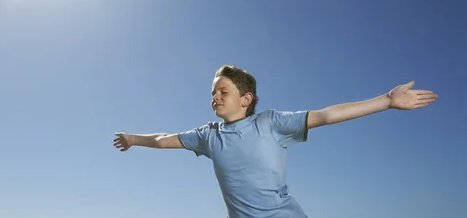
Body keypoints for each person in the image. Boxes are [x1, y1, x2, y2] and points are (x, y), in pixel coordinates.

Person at [113, 65, 438, 218]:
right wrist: (132, 138)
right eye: (213, 92)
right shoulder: (207, 137)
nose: (215, 96)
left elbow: (326, 115)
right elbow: (162, 139)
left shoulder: (271, 123)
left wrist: (386, 101)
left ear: (246, 98)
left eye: (223, 91)